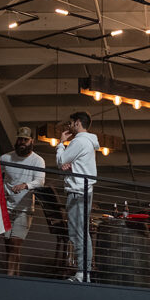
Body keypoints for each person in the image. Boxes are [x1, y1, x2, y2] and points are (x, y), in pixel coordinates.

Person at [56, 111, 99, 282]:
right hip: (83, 190)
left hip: (78, 192)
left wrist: (61, 144)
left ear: (78, 123)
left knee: (79, 233)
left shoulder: (79, 141)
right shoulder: (88, 142)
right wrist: (70, 167)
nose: (69, 126)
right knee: (80, 232)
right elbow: (66, 165)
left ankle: (83, 273)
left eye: (71, 123)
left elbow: (60, 161)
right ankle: (84, 272)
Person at [0, 126, 46, 277]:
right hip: (6, 207)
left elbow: (40, 181)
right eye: (20, 139)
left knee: (15, 243)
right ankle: (15, 276)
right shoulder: (5, 158)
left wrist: (25, 185)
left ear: (31, 141)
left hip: (25, 208)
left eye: (25, 140)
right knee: (9, 245)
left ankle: (9, 277)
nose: (22, 142)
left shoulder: (38, 161)